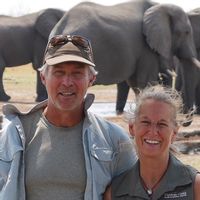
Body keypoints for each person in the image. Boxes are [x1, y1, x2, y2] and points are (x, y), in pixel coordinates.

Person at [0, 34, 137, 200]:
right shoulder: (15, 134)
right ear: (43, 77)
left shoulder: (113, 138)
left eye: (77, 73)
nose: (67, 82)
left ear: (91, 79)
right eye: (59, 72)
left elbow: (133, 192)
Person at [104, 85, 200, 200]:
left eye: (162, 124)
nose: (153, 132)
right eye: (145, 122)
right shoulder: (115, 192)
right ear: (131, 127)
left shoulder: (195, 186)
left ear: (174, 132)